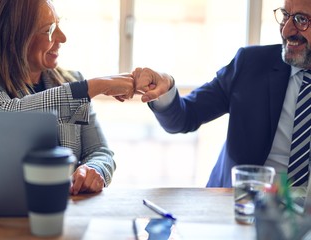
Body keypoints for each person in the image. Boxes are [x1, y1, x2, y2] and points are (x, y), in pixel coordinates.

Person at [0, 0, 135, 195]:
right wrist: (92, 88)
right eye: (49, 29)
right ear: (10, 37)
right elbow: (4, 117)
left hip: (64, 212)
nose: (62, 37)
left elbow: (99, 152)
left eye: (59, 24)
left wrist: (93, 170)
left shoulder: (72, 81)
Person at [132, 0, 311, 187]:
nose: (286, 30)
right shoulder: (250, 64)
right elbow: (185, 116)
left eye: (301, 19)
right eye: (285, 16)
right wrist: (166, 89)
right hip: (242, 204)